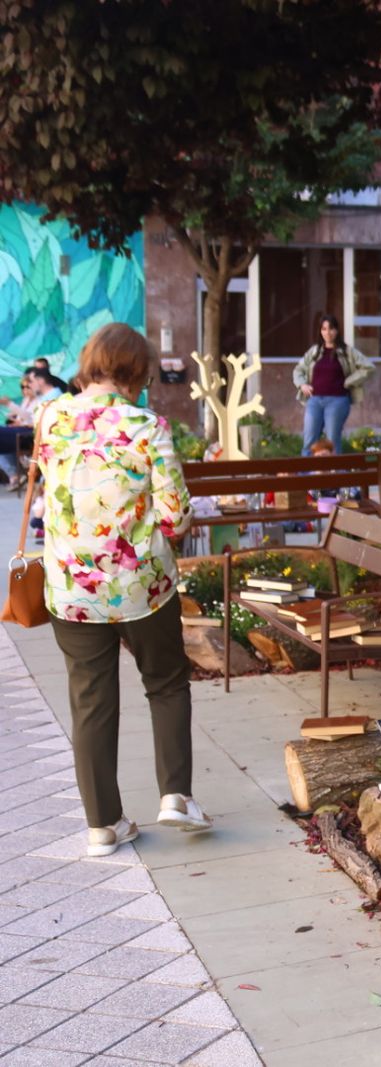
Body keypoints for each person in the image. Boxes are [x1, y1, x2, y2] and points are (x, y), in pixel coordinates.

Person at [34, 323, 209, 857]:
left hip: (71, 586)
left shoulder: (50, 417)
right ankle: (175, 795)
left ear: (91, 364)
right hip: (141, 585)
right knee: (166, 682)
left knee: (90, 700)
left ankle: (102, 826)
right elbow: (177, 518)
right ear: (136, 372)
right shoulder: (147, 426)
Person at [293, 314, 375, 455]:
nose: (327, 332)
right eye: (324, 329)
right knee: (309, 441)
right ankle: (305, 474)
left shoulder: (347, 352)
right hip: (314, 400)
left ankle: (335, 474)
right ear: (320, 331)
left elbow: (369, 367)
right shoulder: (314, 351)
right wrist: (302, 385)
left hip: (337, 401)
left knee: (332, 441)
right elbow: (298, 369)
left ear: (337, 330)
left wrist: (349, 381)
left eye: (331, 328)